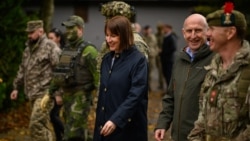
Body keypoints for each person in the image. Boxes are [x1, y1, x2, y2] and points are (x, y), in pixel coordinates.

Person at [188, 2, 250, 141]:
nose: (207, 34)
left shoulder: (247, 69)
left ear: (230, 32)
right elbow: (203, 117)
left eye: (211, 29)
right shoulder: (213, 69)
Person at [154, 13, 214, 141]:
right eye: (189, 31)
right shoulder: (180, 59)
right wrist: (162, 123)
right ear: (183, 33)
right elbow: (170, 96)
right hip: (178, 136)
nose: (193, 36)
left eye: (198, 30)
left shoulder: (216, 60)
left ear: (207, 31)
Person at [41, 15, 99, 141]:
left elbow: (99, 78)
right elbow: (59, 74)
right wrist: (49, 93)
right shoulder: (67, 50)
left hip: (81, 97)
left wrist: (100, 103)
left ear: (80, 30)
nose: (67, 31)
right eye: (66, 28)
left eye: (71, 28)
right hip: (68, 98)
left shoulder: (89, 50)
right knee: (76, 131)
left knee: (73, 134)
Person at [93, 15, 148, 141]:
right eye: (107, 35)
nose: (108, 40)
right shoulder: (106, 59)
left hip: (128, 130)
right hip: (105, 129)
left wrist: (116, 120)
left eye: (113, 36)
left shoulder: (138, 60)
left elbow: (136, 95)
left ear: (124, 35)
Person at [10, 20, 61, 141]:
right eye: (28, 32)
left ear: (41, 31)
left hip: (45, 94)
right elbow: (22, 69)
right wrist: (16, 87)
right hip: (32, 94)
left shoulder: (50, 46)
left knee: (36, 124)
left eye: (32, 32)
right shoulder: (28, 48)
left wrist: (59, 93)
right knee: (42, 126)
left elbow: (60, 71)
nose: (29, 35)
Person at [97, 0, 149, 72]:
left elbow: (138, 74)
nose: (106, 22)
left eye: (110, 18)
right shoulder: (109, 41)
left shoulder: (135, 42)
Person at [48, 27, 65, 141]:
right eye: (48, 38)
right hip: (53, 89)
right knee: (54, 116)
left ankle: (69, 135)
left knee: (53, 116)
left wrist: (58, 93)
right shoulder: (51, 51)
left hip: (60, 90)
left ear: (58, 38)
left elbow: (61, 73)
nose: (49, 41)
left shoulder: (59, 52)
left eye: (51, 38)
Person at [142, 25, 159, 91]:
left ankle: (149, 87)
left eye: (148, 30)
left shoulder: (152, 37)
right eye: (146, 30)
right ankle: (146, 86)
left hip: (151, 57)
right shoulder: (143, 37)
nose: (147, 31)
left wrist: (155, 54)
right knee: (145, 73)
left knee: (150, 73)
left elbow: (156, 47)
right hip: (145, 57)